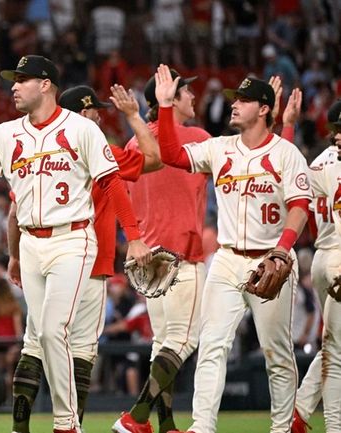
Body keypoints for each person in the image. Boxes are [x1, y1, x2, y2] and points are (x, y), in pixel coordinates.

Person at [0, 55, 152, 433]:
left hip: (72, 238)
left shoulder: (81, 129)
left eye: (23, 79)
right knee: (41, 334)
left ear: (46, 84)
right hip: (30, 243)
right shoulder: (7, 133)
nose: (13, 85)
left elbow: (111, 182)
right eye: (14, 78)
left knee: (50, 330)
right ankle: (56, 424)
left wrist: (136, 239)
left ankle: (66, 424)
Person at [152, 64, 310, 433]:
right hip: (226, 258)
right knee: (212, 345)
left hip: (271, 259)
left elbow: (300, 208)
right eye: (234, 99)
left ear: (265, 109)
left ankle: (282, 427)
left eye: (244, 100)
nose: (234, 105)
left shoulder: (286, 154)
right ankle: (202, 426)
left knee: (277, 353)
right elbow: (173, 155)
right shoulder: (219, 147)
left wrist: (282, 250)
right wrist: (163, 107)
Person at [7, 84, 164, 433]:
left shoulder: (35, 152)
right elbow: (154, 158)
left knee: (34, 346)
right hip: (87, 261)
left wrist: (15, 256)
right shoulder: (100, 149)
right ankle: (70, 425)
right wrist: (134, 116)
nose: (97, 116)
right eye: (92, 110)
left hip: (41, 258)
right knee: (79, 352)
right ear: (79, 113)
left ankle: (20, 428)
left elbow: (15, 211)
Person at [113, 68, 211, 433]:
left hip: (148, 258)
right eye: (188, 92)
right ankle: (136, 416)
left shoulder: (136, 143)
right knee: (185, 340)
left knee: (163, 343)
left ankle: (166, 425)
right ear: (171, 97)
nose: (194, 98)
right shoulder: (196, 139)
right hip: (182, 255)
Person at [295, 99, 341, 433]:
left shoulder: (317, 162)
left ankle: (298, 410)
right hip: (339, 255)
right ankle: (335, 426)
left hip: (322, 254)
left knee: (334, 343)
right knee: (337, 352)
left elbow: (311, 221)